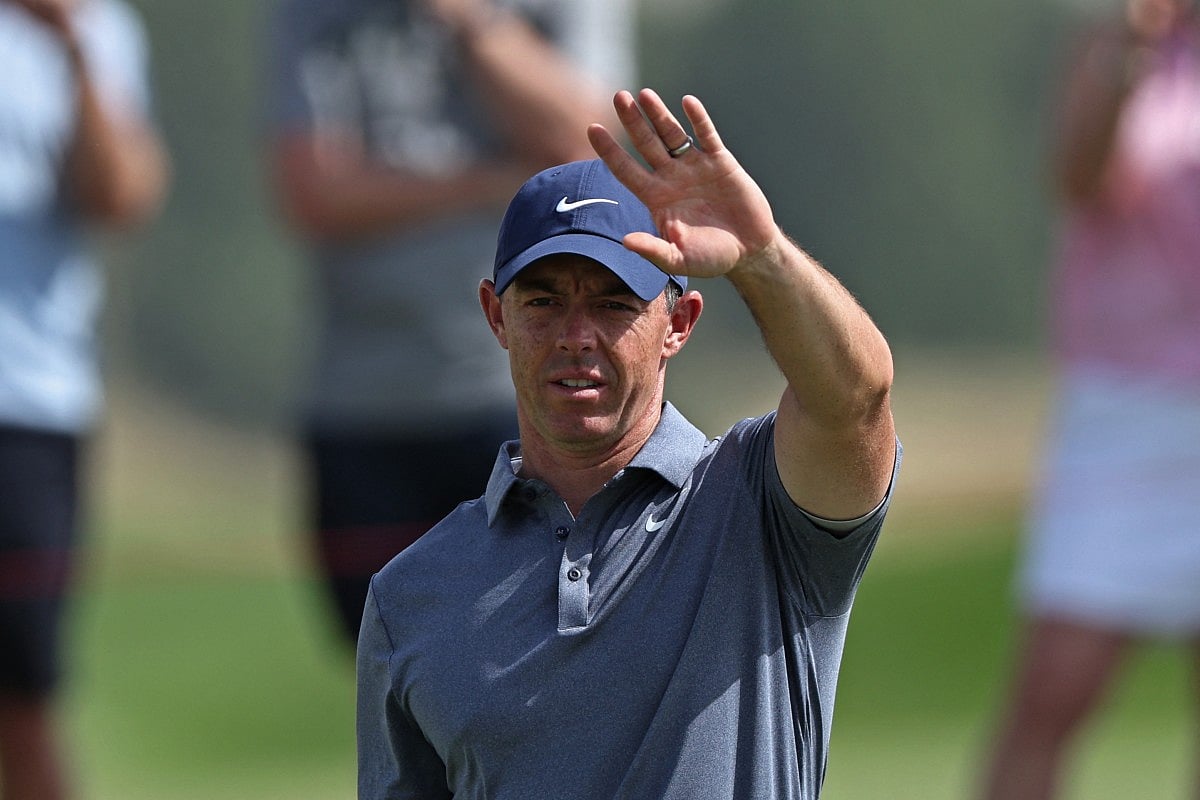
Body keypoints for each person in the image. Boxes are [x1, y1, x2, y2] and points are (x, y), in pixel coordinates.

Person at [357, 87, 900, 799]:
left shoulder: (764, 509)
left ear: (679, 323)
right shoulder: (411, 596)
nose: (576, 336)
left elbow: (855, 401)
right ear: (496, 316)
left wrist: (763, 258)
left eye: (614, 302)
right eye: (544, 300)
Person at [266, 0, 636, 647]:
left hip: (526, 394)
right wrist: (495, 182)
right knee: (388, 664)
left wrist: (468, 19)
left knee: (544, 654)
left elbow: (587, 151)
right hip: (360, 403)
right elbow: (314, 192)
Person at [980, 1, 1200, 798]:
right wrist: (1127, 56)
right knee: (1052, 690)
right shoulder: (1113, 47)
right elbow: (1078, 178)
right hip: (1123, 408)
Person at [0, 0, 169, 798]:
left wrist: (71, 45)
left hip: (28, 400)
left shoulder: (97, 27)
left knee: (23, 693)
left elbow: (123, 195)